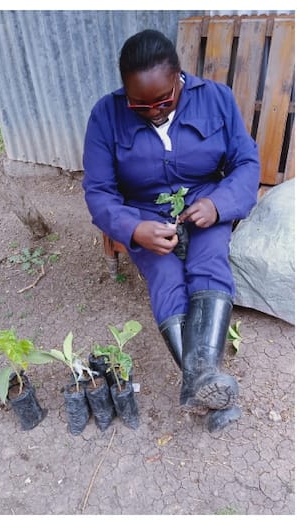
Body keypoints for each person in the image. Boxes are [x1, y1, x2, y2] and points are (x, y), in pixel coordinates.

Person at [82, 29, 259, 432]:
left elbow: (246, 164)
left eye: (163, 101)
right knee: (164, 276)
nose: (154, 112)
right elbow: (99, 191)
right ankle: (206, 383)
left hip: (205, 203)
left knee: (208, 262)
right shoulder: (105, 115)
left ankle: (198, 381)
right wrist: (134, 228)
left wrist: (218, 204)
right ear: (124, 91)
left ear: (180, 77)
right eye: (139, 106)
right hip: (145, 214)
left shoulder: (216, 98)